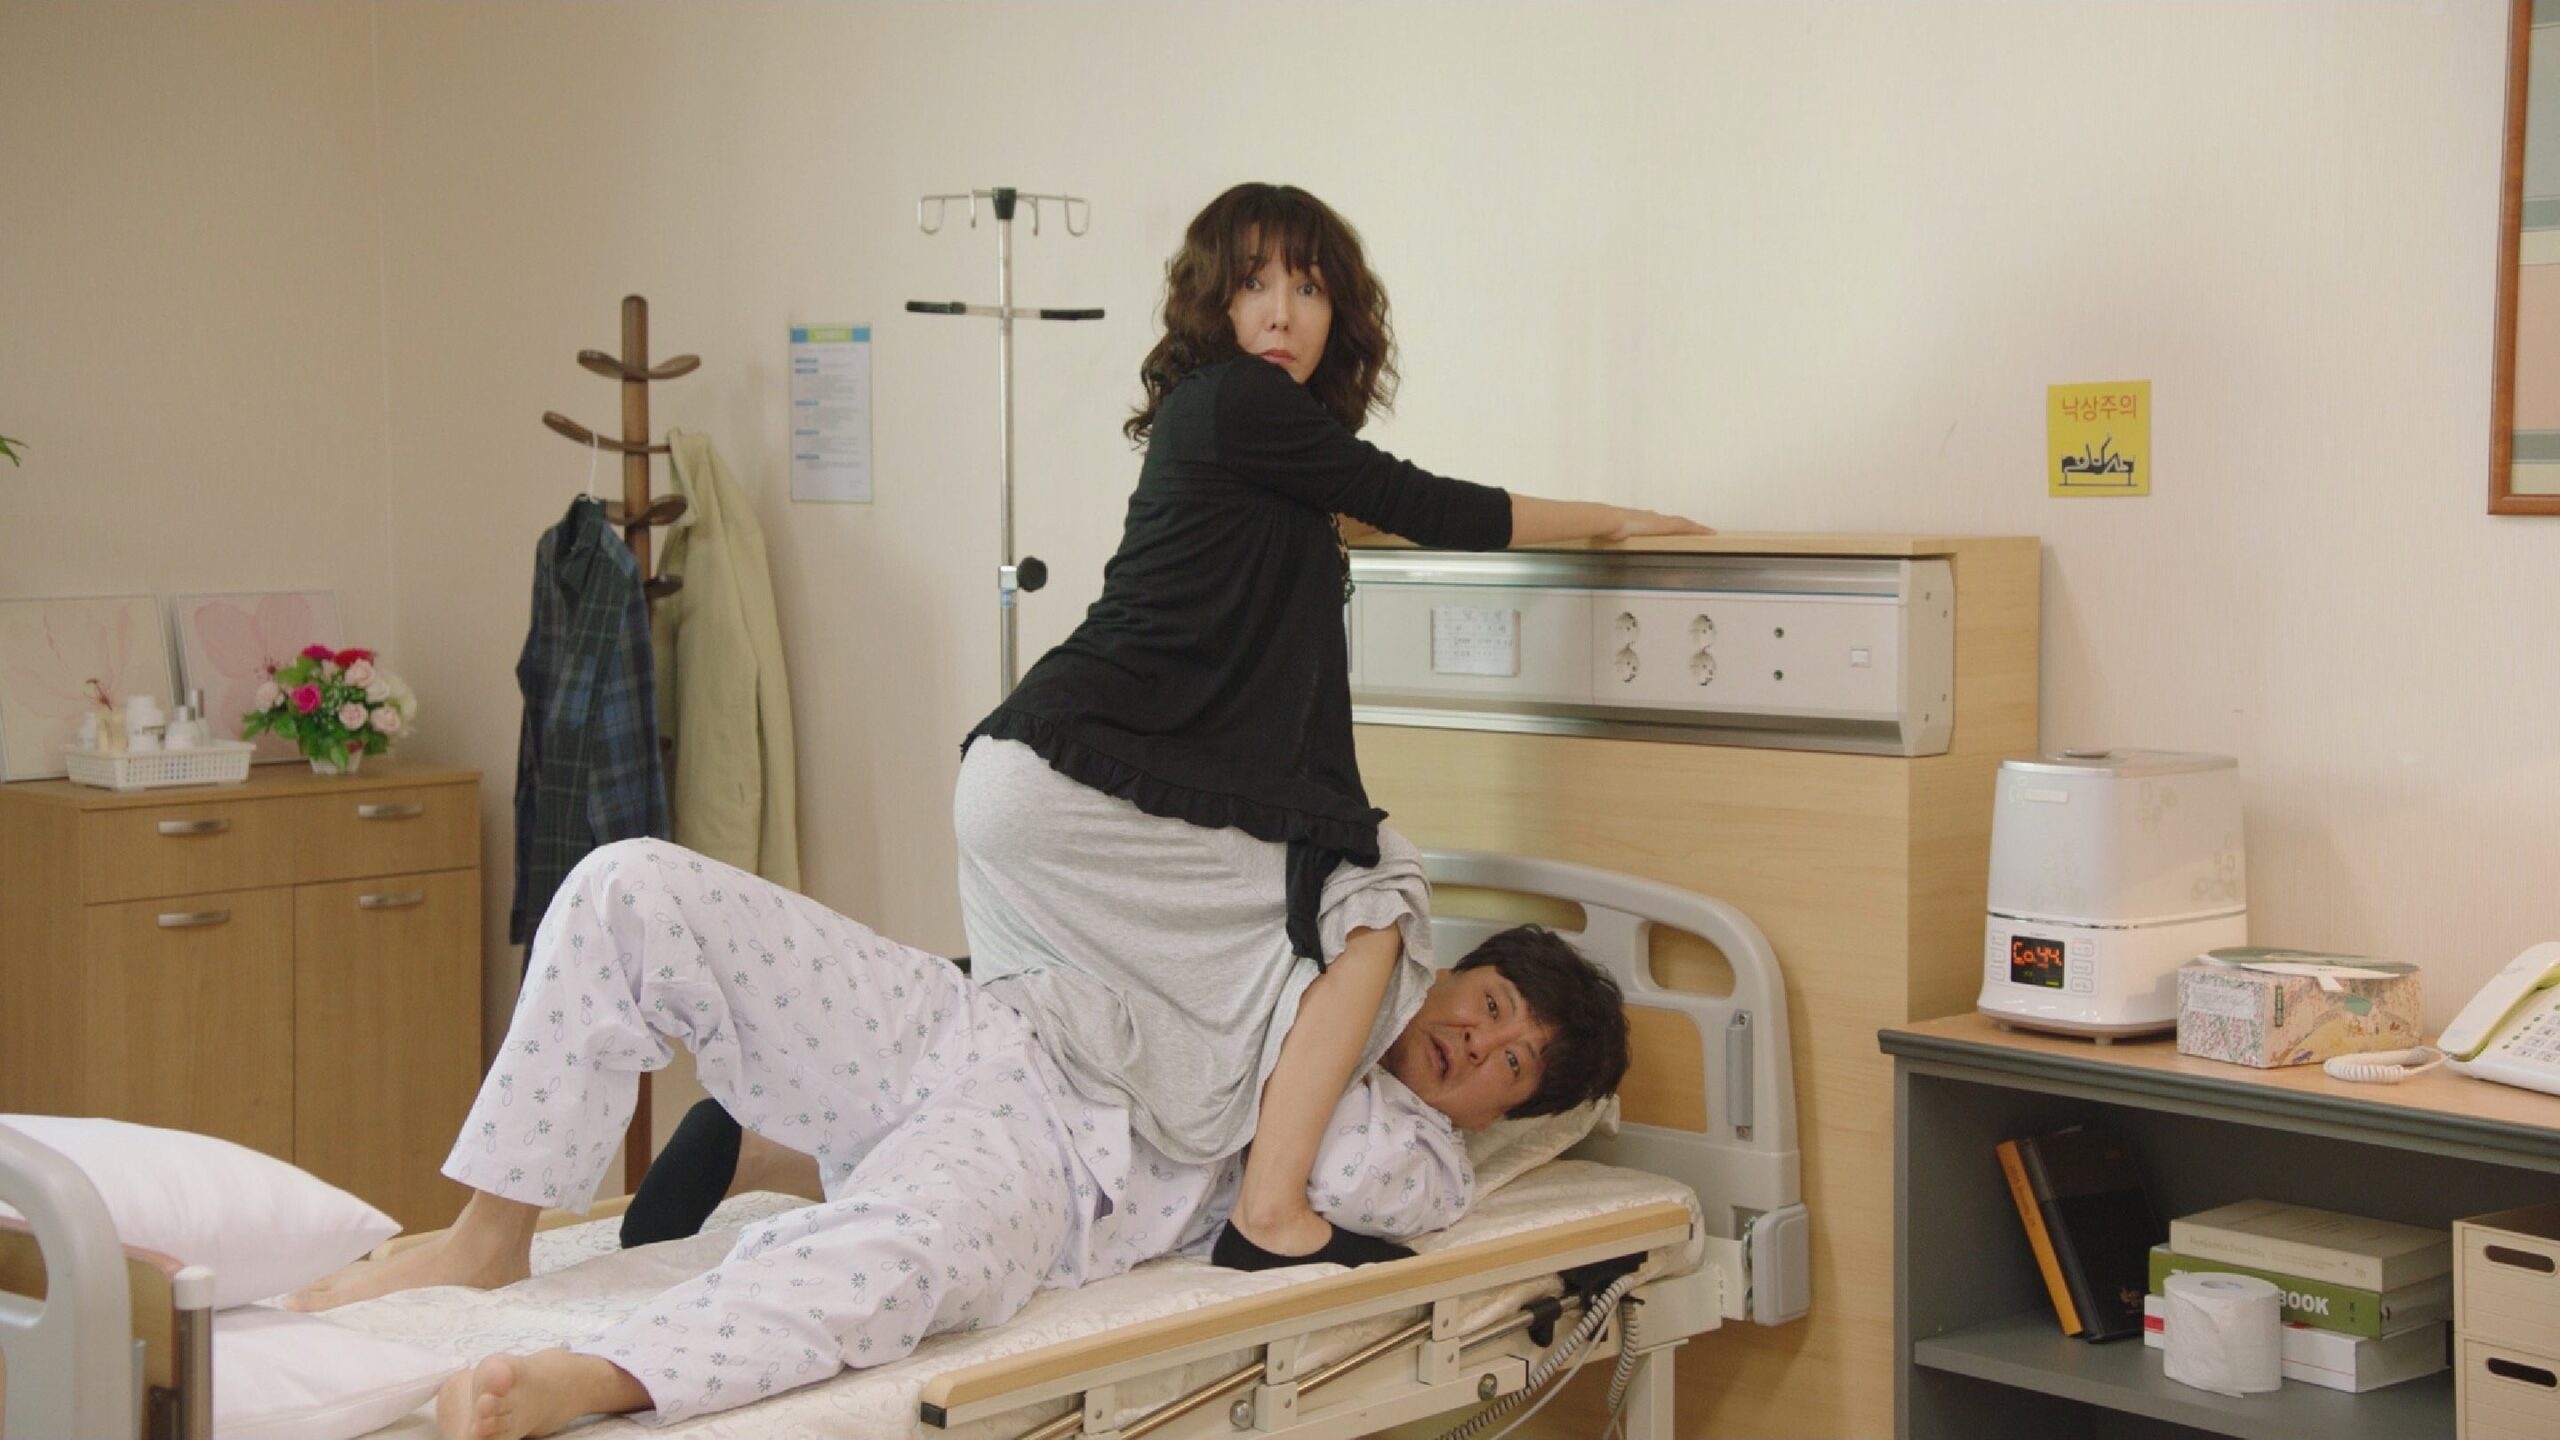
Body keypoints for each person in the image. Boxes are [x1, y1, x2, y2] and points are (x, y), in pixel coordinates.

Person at [955, 182, 1708, 1273]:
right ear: (1212, 303)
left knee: (1097, 1013)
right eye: (1253, 284)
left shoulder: (1237, 433)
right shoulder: (1242, 402)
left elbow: (1349, 510)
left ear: (1338, 312)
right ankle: (1268, 1213)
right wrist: (1616, 518)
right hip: (1077, 777)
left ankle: (779, 1137)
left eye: (1308, 289)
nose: (1281, 312)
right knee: (1372, 897)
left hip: (1032, 775)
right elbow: (1427, 502)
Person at [288, 839, 1630, 1440]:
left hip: (1055, 1159)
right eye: (1487, 1006)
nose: (1478, 1048)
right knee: (634, 888)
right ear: (1451, 970)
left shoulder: (1420, 1162)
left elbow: (1330, 1175)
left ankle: (608, 1371)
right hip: (974, 1019)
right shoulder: (1315, 952)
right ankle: (490, 1236)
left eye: (1513, 1069)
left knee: (904, 1253)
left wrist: (1347, 1011)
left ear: (1500, 1118)